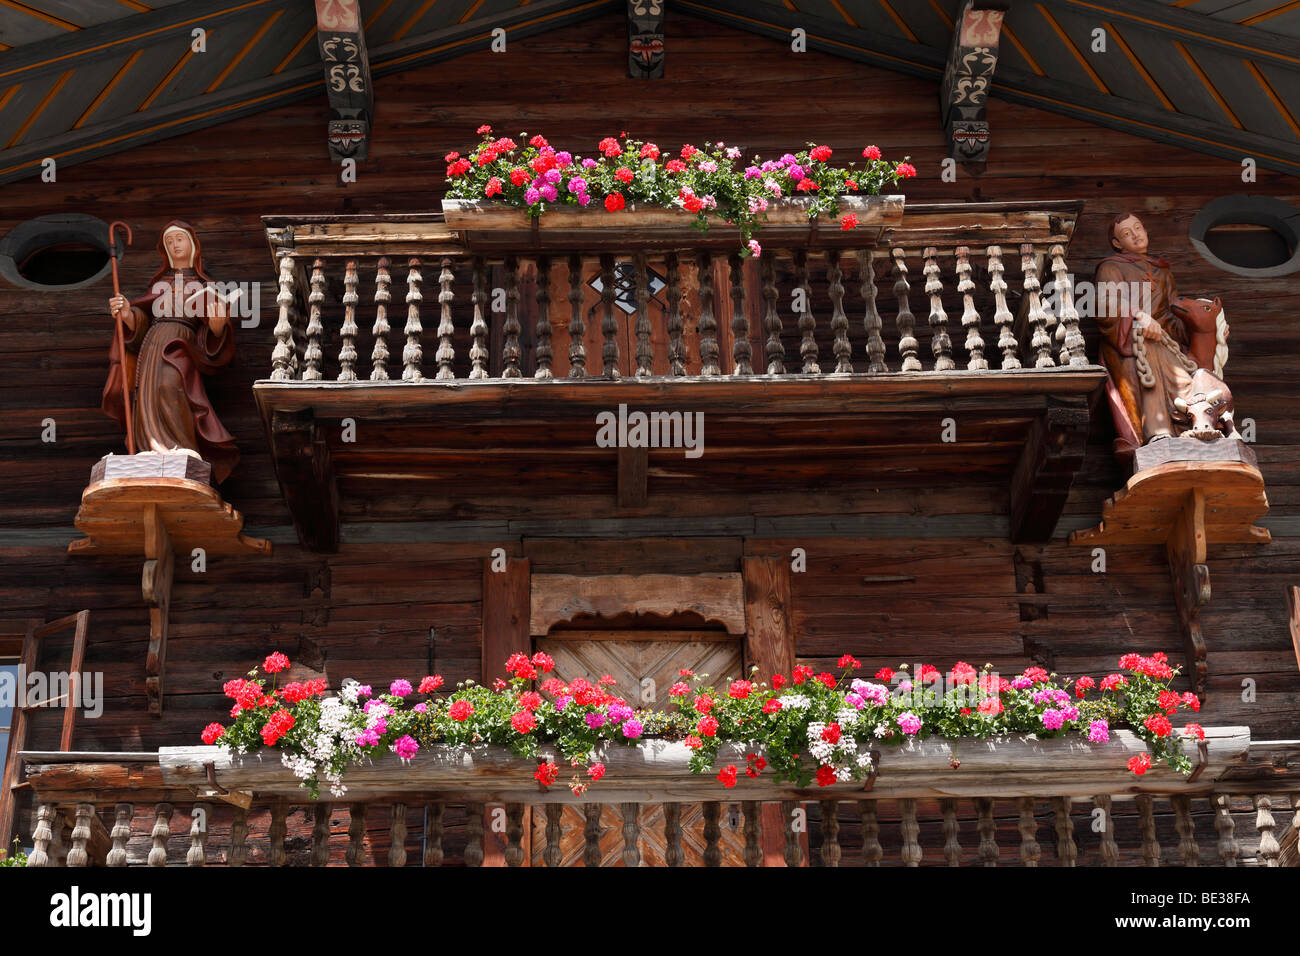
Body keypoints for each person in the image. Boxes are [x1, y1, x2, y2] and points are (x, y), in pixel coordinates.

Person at [101, 221, 240, 482]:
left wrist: (218, 324)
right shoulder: (158, 284)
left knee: (172, 387)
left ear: (193, 246)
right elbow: (141, 322)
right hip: (152, 343)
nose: (176, 245)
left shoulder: (203, 283)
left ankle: (178, 446)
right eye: (170, 241)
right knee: (149, 393)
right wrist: (127, 314)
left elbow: (213, 337)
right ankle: (151, 448)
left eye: (180, 239)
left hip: (181, 344)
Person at [1094, 211, 1205, 449]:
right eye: (1126, 233)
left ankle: (1198, 431)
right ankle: (1158, 434)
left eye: (1138, 228)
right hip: (1131, 343)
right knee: (1149, 376)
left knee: (1188, 380)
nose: (1135, 235)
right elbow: (1106, 303)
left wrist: (1204, 330)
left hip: (1164, 342)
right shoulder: (1110, 267)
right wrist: (1138, 316)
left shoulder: (1163, 271)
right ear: (1117, 243)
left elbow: (1173, 315)